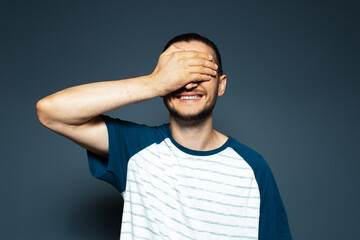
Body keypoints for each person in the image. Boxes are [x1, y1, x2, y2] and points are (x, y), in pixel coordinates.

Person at [36, 33, 292, 240]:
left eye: (201, 71)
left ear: (221, 84)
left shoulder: (253, 168)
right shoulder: (136, 149)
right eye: (178, 73)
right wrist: (155, 82)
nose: (189, 83)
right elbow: (51, 112)